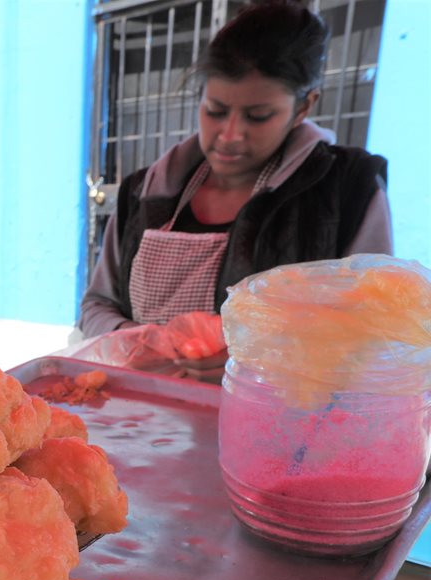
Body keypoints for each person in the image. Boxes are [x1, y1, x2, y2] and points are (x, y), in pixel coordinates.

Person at [80, 0, 392, 378]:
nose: (229, 136)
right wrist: (132, 342)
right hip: (144, 421)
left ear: (303, 107)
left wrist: (259, 366)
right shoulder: (145, 193)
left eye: (258, 116)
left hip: (275, 426)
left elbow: (373, 332)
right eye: (215, 110)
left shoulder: (348, 191)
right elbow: (97, 304)